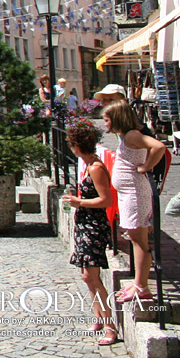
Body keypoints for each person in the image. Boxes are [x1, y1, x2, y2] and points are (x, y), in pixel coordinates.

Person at [104, 99, 166, 302]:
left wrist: (147, 166)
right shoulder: (126, 136)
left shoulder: (132, 135)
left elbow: (159, 146)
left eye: (107, 120)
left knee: (139, 241)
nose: (105, 124)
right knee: (135, 238)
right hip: (129, 192)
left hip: (135, 193)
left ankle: (142, 287)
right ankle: (139, 282)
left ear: (117, 119)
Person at [61, 124, 116, 346]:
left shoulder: (96, 168)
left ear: (77, 146)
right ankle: (99, 319)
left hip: (94, 226)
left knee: (92, 277)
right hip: (85, 225)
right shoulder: (87, 166)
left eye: (71, 145)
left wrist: (79, 202)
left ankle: (110, 327)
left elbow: (107, 200)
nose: (70, 148)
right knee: (87, 277)